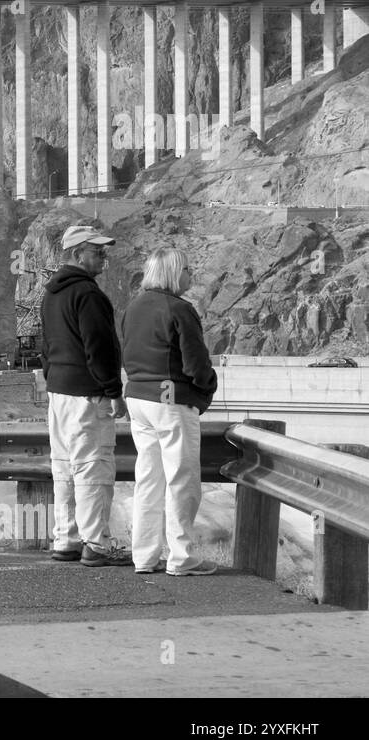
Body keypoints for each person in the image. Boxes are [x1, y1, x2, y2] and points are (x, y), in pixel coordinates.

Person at [121, 247, 219, 576]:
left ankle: (144, 557)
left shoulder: (133, 307)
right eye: (188, 269)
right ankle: (182, 557)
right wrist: (206, 388)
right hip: (170, 400)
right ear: (174, 273)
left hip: (138, 398)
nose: (191, 275)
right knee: (182, 480)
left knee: (148, 480)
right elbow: (195, 363)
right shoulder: (180, 309)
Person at [40, 225, 132, 567]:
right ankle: (96, 545)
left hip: (59, 392)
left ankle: (66, 540)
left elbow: (46, 345)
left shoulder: (51, 293)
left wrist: (52, 377)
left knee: (63, 467)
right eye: (98, 251)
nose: (104, 257)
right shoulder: (89, 296)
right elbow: (101, 347)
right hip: (87, 395)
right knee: (92, 468)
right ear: (78, 253)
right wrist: (112, 391)